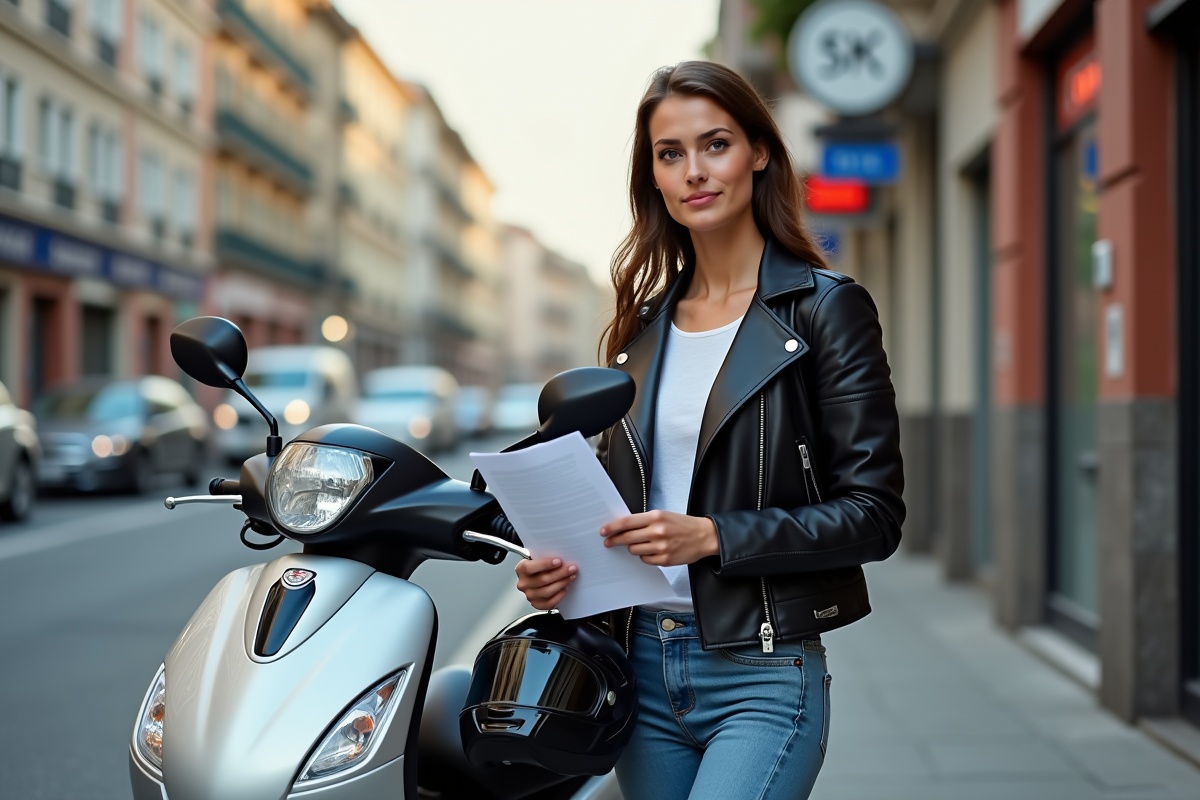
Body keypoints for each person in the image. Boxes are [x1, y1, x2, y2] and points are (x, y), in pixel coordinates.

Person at [514, 61, 905, 800]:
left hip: (762, 668)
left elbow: (874, 514)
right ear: (654, 176)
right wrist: (559, 572)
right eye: (671, 153)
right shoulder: (641, 328)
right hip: (636, 665)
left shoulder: (825, 310)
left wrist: (714, 536)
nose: (694, 170)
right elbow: (619, 508)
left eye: (715, 144)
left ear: (759, 153)